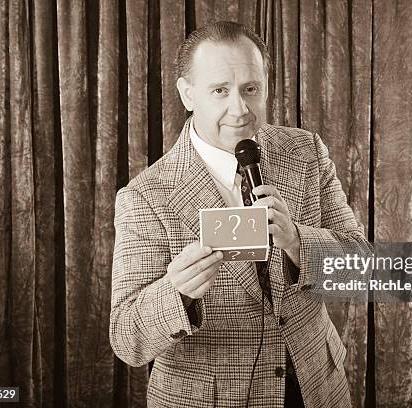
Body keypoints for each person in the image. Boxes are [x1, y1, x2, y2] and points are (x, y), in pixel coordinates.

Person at [110, 21, 369, 408]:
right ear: (188, 94)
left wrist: (298, 241)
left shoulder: (305, 152)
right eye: (220, 91)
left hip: (317, 387)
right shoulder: (145, 195)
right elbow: (126, 339)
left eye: (251, 89)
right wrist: (177, 292)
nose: (240, 108)